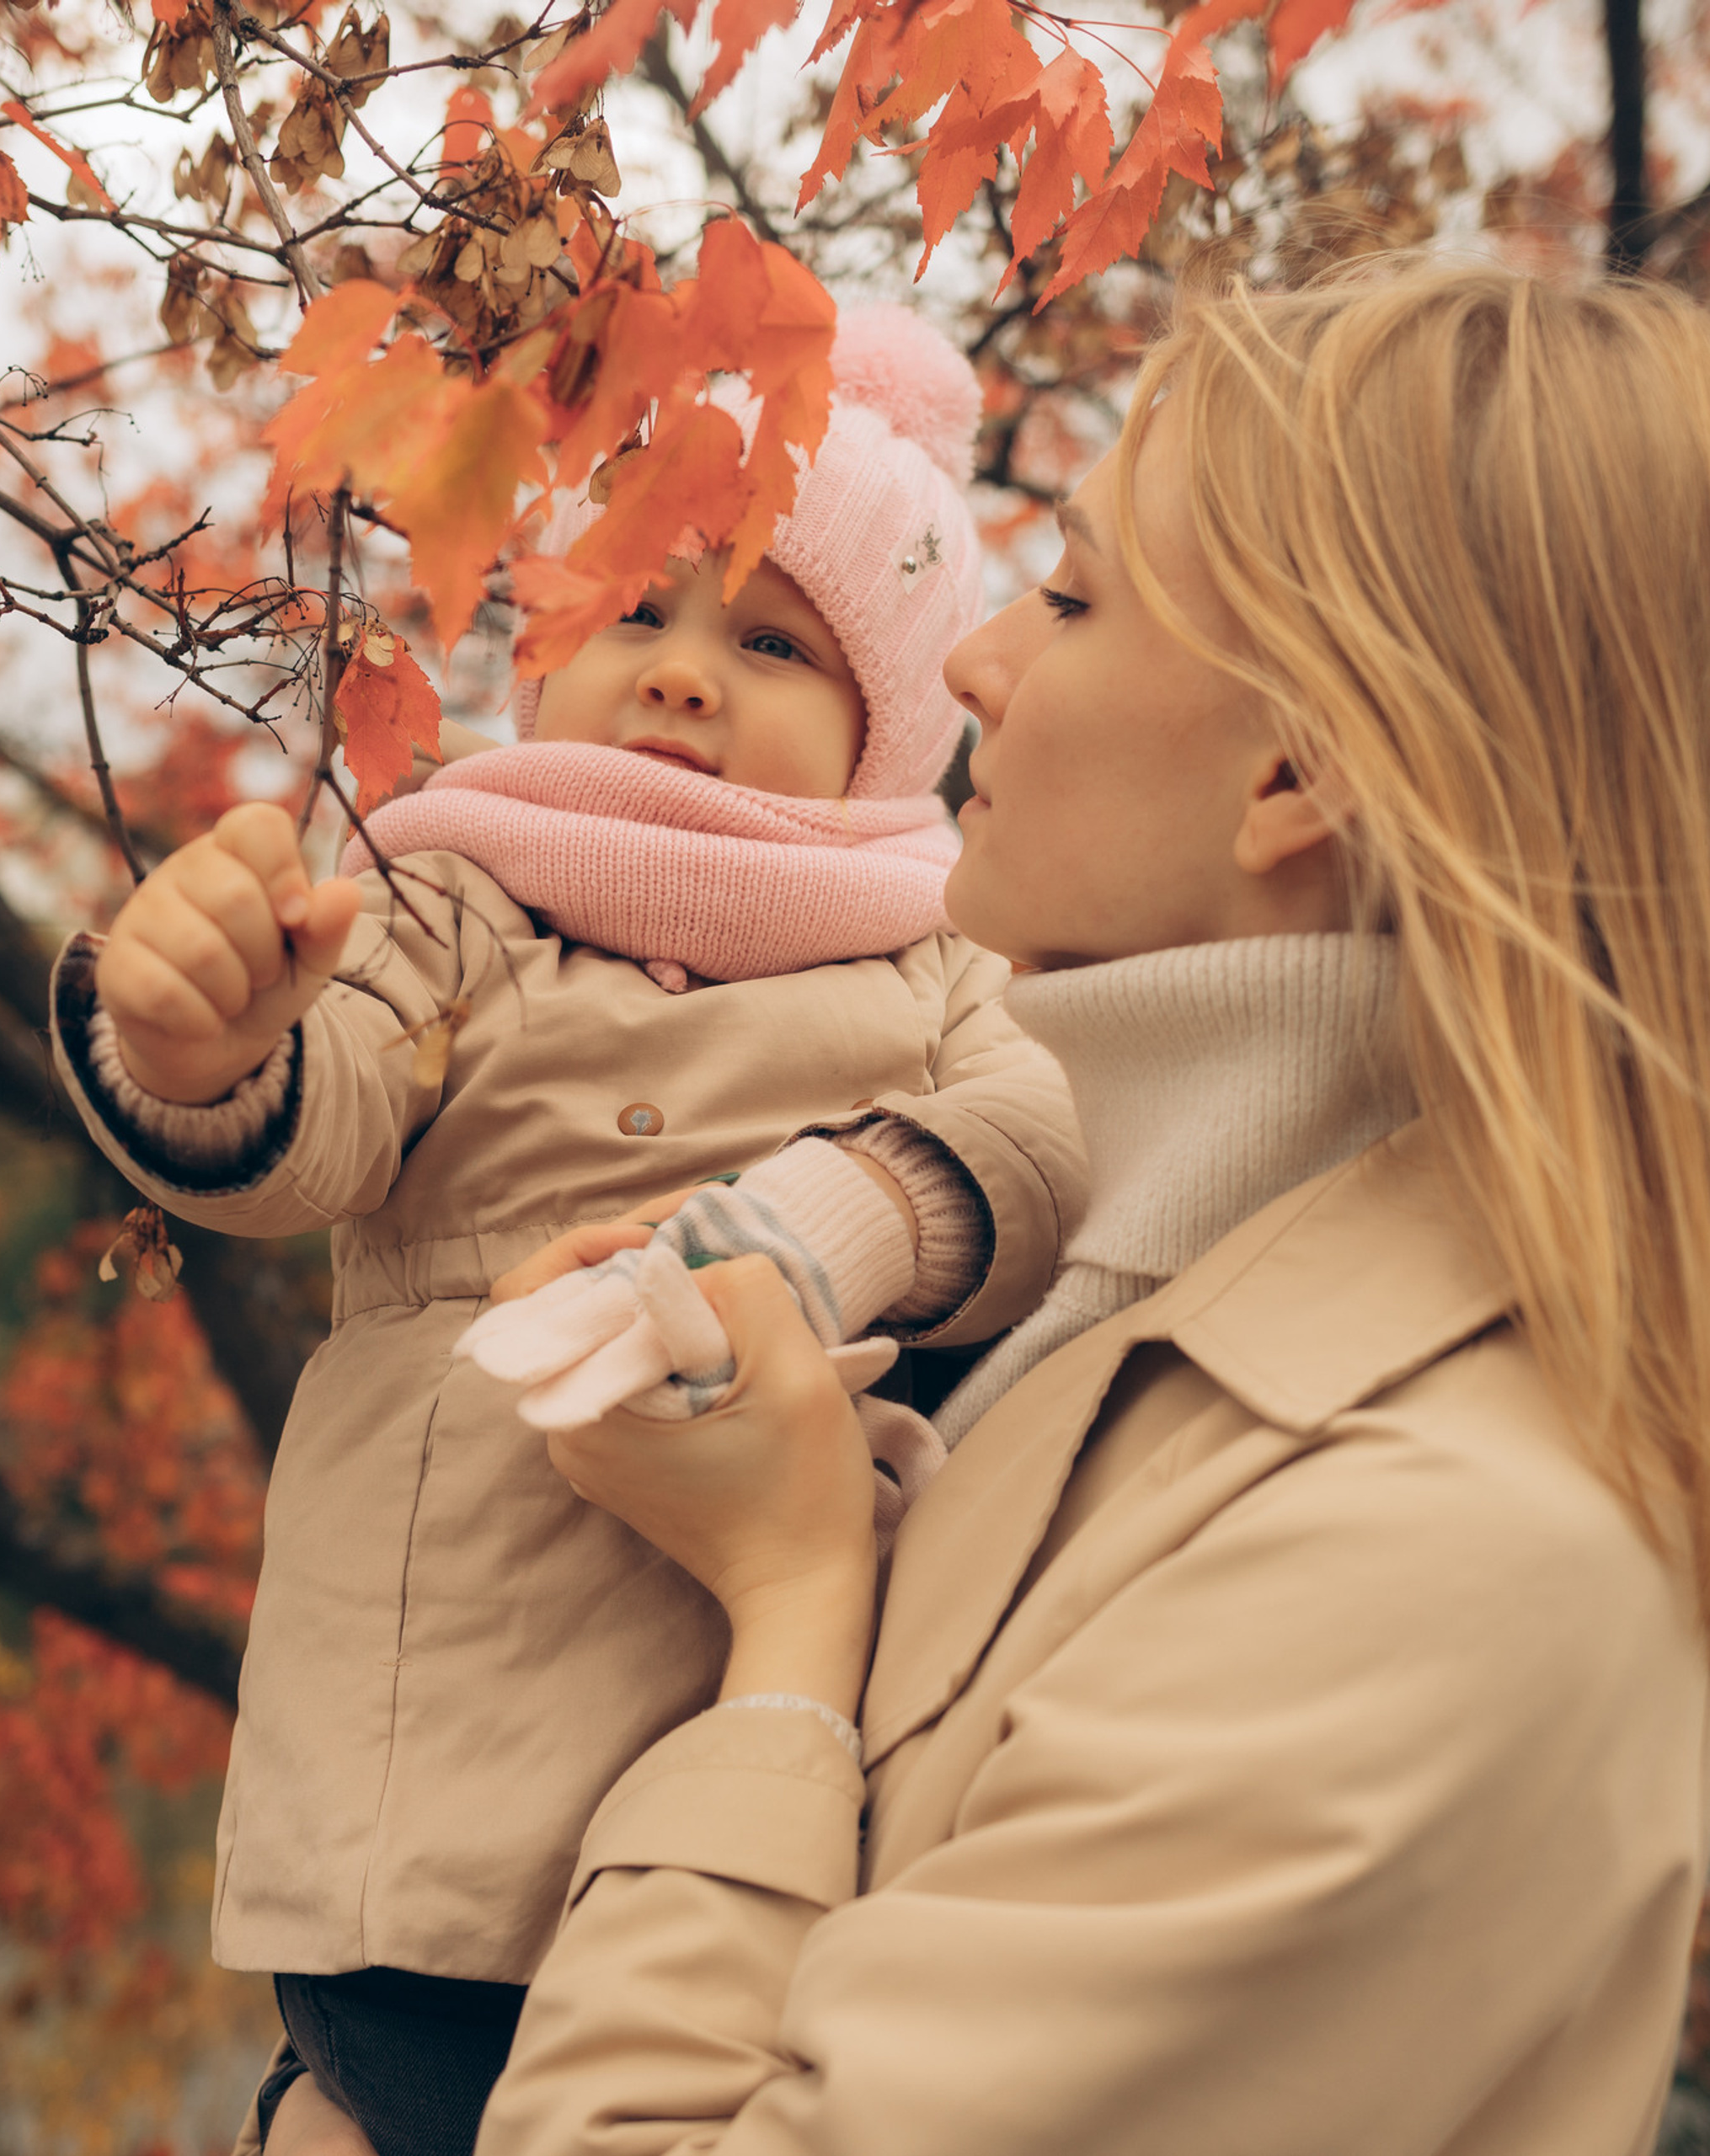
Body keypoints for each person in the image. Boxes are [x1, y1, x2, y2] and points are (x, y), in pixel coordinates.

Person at [423, 259, 1710, 2156]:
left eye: (1076, 596)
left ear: (1299, 770)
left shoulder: (1425, 1559)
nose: (969, 663)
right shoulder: (1133, 1334)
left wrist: (788, 1619)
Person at [49, 308, 1087, 2156]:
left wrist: (834, 1218)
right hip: (418, 1763)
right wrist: (201, 1041)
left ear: (894, 725)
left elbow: (1032, 1140)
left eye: (770, 642)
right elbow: (326, 1117)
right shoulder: (453, 894)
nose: (683, 677)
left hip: (754, 1741)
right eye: (636, 613)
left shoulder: (930, 951)